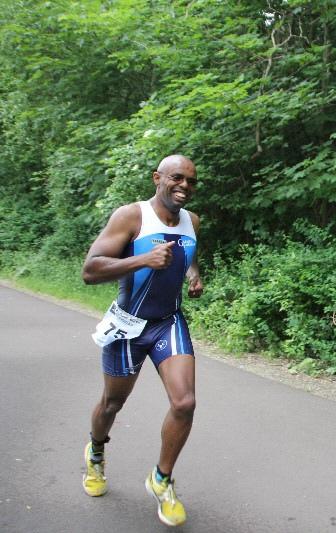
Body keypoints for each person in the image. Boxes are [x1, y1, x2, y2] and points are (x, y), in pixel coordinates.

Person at [81, 154, 203, 527]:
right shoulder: (131, 216)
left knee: (185, 402)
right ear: (157, 178)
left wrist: (193, 274)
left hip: (168, 322)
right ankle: (96, 453)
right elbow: (90, 270)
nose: (185, 186)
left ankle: (161, 480)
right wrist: (142, 260)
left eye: (191, 181)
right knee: (112, 403)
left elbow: (189, 253)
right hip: (128, 325)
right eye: (177, 178)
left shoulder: (193, 221)